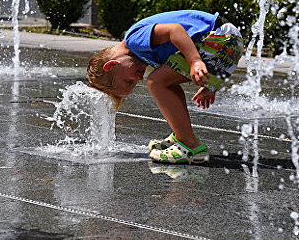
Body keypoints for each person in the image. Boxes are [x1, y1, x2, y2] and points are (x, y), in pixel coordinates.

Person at [86, 10, 244, 164]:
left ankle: (189, 145)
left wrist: (195, 61)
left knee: (156, 81)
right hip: (225, 41)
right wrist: (210, 85)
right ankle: (180, 135)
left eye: (129, 81)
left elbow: (175, 30)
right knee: (166, 81)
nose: (139, 78)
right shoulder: (142, 53)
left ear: (112, 65)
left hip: (219, 36)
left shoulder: (134, 40)